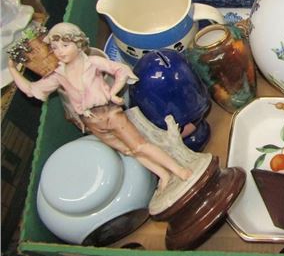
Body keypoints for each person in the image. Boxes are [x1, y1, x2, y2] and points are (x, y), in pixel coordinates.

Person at [7, 22, 192, 191]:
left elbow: (120, 70)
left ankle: (179, 169)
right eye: (55, 48)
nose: (60, 51)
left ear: (78, 44)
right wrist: (13, 70)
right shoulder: (58, 75)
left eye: (65, 45)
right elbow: (31, 90)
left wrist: (113, 92)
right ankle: (163, 174)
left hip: (110, 113)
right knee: (129, 150)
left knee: (140, 145)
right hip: (92, 122)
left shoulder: (92, 63)